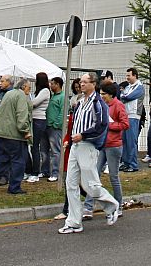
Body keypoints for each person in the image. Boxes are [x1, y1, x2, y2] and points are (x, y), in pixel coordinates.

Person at [59, 73, 120, 233]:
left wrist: (83, 135)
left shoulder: (98, 103)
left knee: (90, 184)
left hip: (88, 146)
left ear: (94, 84)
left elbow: (102, 125)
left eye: (85, 82)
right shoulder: (80, 102)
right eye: (81, 82)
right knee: (71, 183)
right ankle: (74, 221)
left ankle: (112, 206)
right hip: (76, 145)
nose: (82, 84)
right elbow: (75, 123)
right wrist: (70, 139)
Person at [0, 76, 32, 195]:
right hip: (14, 135)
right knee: (19, 160)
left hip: (0, 132)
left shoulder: (7, 94)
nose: (29, 91)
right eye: (29, 88)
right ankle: (14, 187)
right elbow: (21, 115)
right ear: (23, 87)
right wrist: (25, 131)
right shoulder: (21, 96)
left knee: (2, 159)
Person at [85, 81, 127, 215]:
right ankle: (88, 207)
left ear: (110, 94)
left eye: (103, 94)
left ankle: (118, 206)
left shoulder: (118, 105)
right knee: (94, 175)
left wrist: (109, 125)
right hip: (102, 144)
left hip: (114, 146)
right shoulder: (102, 105)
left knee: (113, 177)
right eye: (100, 93)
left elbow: (125, 124)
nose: (101, 96)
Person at [118, 68, 144, 171]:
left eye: (129, 75)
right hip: (126, 115)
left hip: (133, 116)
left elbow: (128, 97)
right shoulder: (129, 87)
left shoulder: (139, 87)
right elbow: (122, 97)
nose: (127, 77)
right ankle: (126, 163)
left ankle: (133, 165)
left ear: (135, 75)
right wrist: (124, 96)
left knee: (131, 141)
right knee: (124, 140)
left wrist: (124, 95)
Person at [27, 71, 51, 183]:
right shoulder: (40, 91)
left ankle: (35, 172)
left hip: (39, 120)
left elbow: (34, 103)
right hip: (35, 120)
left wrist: (27, 100)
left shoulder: (45, 91)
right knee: (33, 146)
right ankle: (32, 170)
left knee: (35, 146)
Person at [45, 76, 65, 181]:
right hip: (48, 126)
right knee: (45, 150)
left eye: (52, 84)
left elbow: (63, 112)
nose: (50, 85)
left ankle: (55, 173)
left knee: (55, 150)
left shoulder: (62, 97)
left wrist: (56, 124)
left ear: (57, 84)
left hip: (55, 128)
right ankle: (45, 171)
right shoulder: (53, 96)